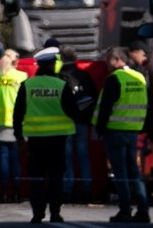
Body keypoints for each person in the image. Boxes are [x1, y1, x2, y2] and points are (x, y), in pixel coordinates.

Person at [14, 47, 79, 224]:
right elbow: (72, 110)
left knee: (37, 177)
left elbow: (18, 112)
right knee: (56, 176)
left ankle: (37, 213)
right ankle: (55, 212)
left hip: (35, 139)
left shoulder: (28, 85)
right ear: (52, 65)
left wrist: (18, 135)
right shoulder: (61, 84)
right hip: (59, 138)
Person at [95, 46, 150, 223]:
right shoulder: (139, 77)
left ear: (117, 60)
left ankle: (125, 210)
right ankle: (143, 210)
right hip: (133, 131)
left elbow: (105, 107)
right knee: (135, 172)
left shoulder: (114, 79)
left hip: (115, 130)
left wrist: (100, 128)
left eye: (108, 60)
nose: (106, 64)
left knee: (120, 173)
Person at [58, 46, 98, 202]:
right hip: (82, 121)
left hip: (65, 122)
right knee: (83, 156)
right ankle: (86, 189)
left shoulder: (60, 77)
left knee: (66, 157)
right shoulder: (84, 75)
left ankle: (68, 190)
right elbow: (93, 98)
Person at [0, 48, 26, 202]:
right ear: (16, 61)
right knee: (15, 158)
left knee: (2, 157)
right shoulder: (22, 76)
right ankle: (16, 192)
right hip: (15, 122)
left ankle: (3, 192)